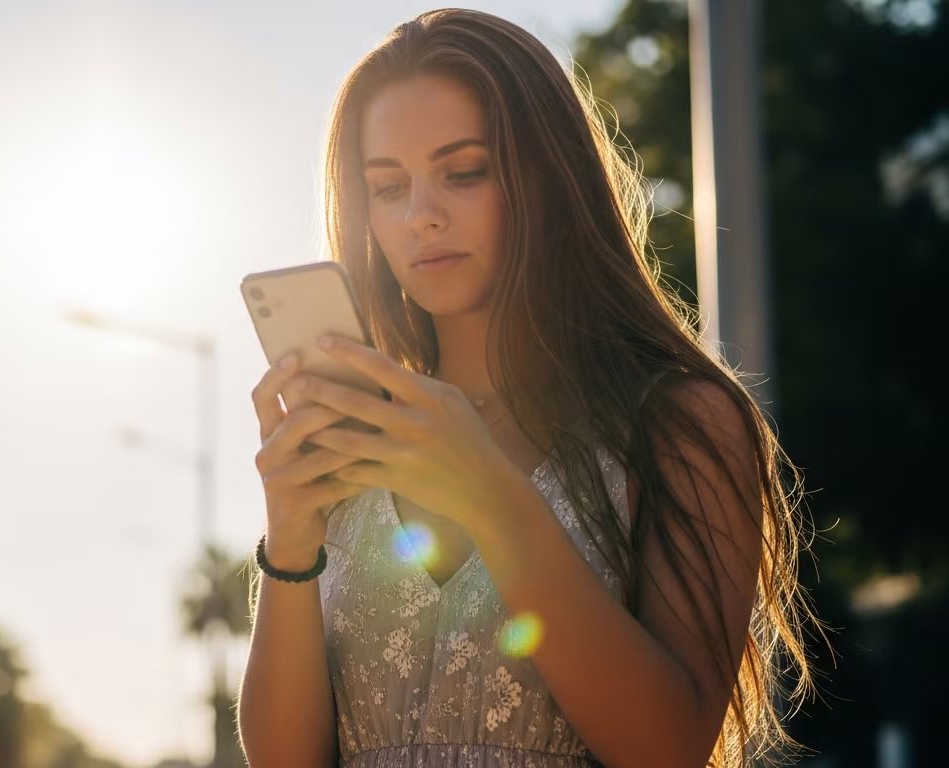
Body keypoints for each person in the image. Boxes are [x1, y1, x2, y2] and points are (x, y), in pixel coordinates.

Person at [236, 8, 823, 768]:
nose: (421, 217)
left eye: (464, 171)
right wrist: (289, 544)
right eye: (388, 187)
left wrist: (491, 494)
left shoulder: (680, 424)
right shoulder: (360, 438)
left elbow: (669, 750)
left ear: (549, 177)